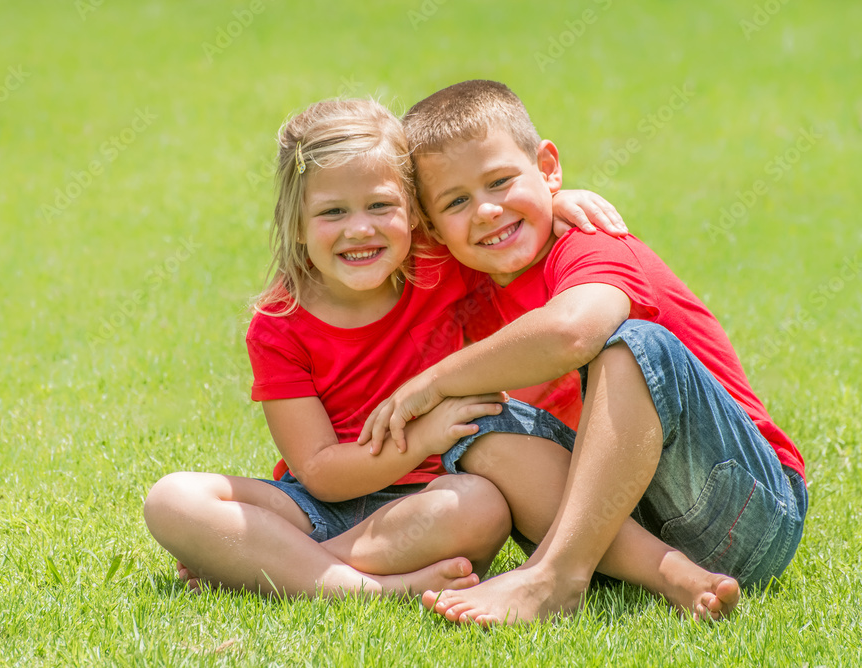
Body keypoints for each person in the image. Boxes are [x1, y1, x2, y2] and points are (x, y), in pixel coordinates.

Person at [361, 80, 807, 625]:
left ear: (548, 167)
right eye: (457, 201)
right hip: (619, 525)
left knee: (632, 345)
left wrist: (433, 380)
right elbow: (363, 240)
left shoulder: (591, 241)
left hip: (750, 507)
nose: (486, 211)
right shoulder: (463, 268)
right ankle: (667, 574)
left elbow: (573, 331)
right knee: (474, 421)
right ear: (431, 224)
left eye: (501, 181)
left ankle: (555, 577)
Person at [143, 97, 622, 599]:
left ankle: (274, 565)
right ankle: (369, 587)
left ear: (414, 212)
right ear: (296, 223)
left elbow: (497, 229)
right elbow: (322, 473)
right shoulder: (278, 324)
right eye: (332, 211)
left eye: (380, 205)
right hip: (314, 509)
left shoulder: (440, 265)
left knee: (481, 506)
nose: (360, 229)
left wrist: (555, 202)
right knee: (172, 498)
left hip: (427, 506)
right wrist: (423, 438)